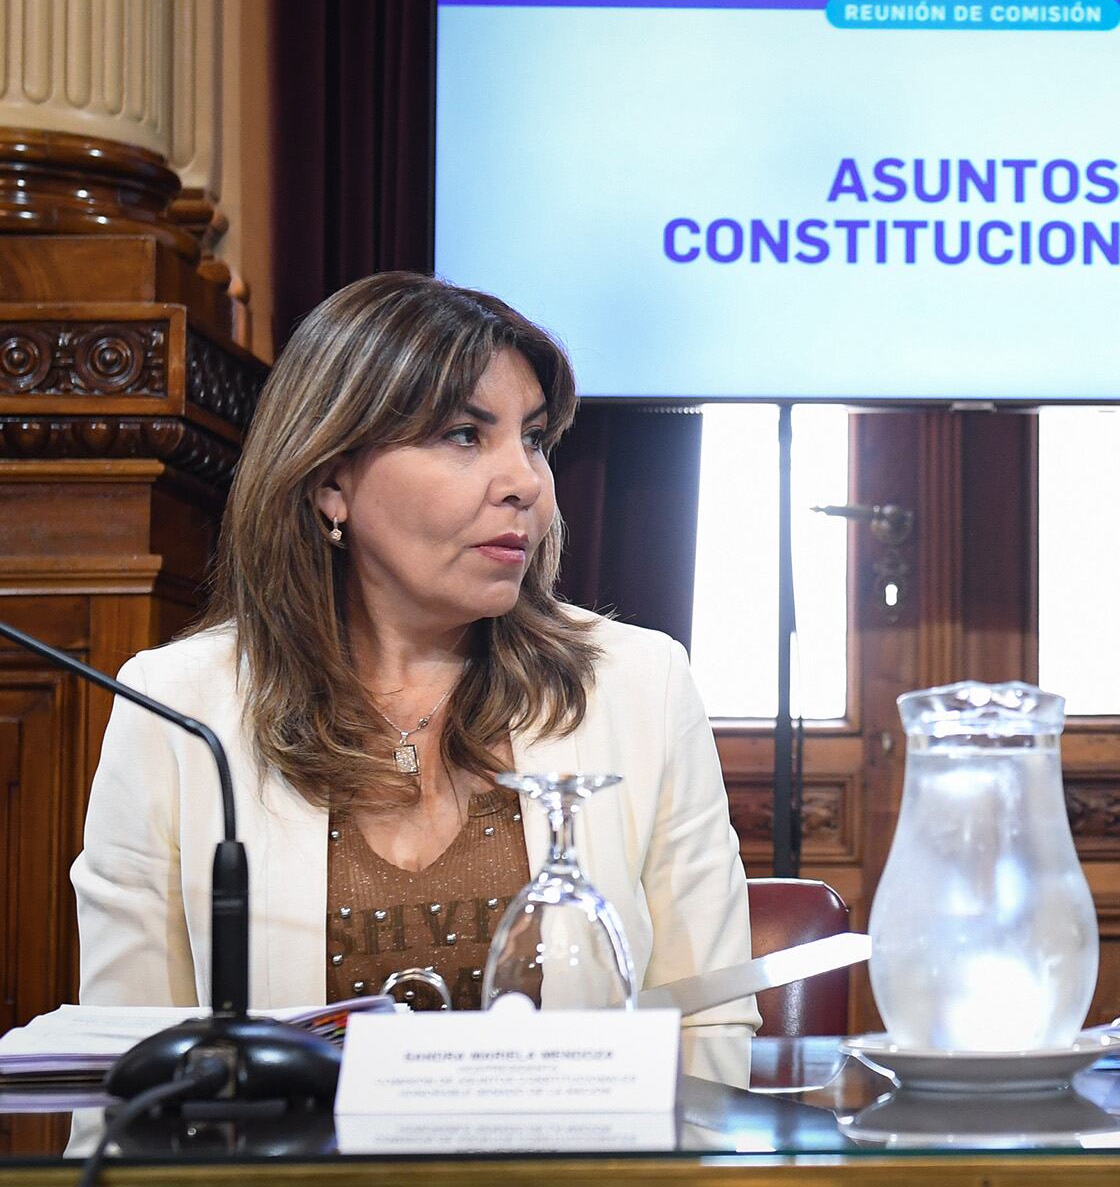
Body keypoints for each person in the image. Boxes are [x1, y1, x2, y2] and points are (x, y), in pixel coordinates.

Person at [71, 272, 758, 1037]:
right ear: (331, 479)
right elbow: (127, 1058)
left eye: (534, 439)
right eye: (465, 435)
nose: (526, 482)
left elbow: (709, 1024)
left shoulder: (640, 684)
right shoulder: (176, 706)